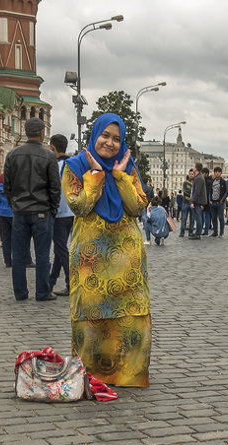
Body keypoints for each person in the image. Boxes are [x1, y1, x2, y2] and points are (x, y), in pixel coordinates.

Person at [63, 113, 151, 386]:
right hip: (90, 255)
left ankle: (129, 373)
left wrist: (120, 176)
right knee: (90, 312)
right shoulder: (74, 167)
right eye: (105, 136)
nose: (110, 143)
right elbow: (80, 205)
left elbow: (137, 207)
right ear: (95, 135)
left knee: (132, 313)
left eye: (116, 138)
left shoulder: (127, 166)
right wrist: (97, 175)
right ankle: (91, 374)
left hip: (127, 256)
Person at [3, 119, 60, 300]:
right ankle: (42, 292)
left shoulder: (12, 155)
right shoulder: (49, 156)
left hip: (19, 211)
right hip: (42, 210)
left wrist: (14, 205)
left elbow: (7, 186)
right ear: (42, 132)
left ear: (26, 132)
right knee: (43, 254)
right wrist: (53, 208)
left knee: (18, 255)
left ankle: (20, 293)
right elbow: (55, 187)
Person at [49, 134, 75, 296]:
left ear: (53, 148)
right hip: (72, 212)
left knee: (61, 249)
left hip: (59, 212)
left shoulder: (55, 166)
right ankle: (51, 282)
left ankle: (70, 282)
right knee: (60, 249)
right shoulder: (73, 164)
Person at [189, 163, 208, 240]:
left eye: (194, 167)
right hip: (198, 201)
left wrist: (192, 201)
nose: (193, 168)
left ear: (196, 169)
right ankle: (197, 232)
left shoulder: (199, 178)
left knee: (198, 217)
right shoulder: (198, 177)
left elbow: (197, 192)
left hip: (198, 201)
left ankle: (198, 233)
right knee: (197, 217)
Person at [208, 167, 228, 237]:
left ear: (221, 173)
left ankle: (221, 232)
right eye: (215, 172)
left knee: (221, 218)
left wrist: (222, 200)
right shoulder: (212, 182)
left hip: (220, 203)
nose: (217, 173)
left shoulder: (223, 182)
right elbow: (210, 191)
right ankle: (215, 231)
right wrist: (210, 199)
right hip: (212, 202)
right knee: (213, 218)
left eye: (218, 172)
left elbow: (227, 192)